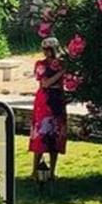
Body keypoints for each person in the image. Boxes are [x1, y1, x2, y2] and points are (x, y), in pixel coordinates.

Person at [30, 36, 68, 180]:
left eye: (49, 50)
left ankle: (52, 172)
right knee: (42, 134)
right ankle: (34, 171)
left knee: (56, 135)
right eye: (45, 49)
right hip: (45, 100)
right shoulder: (41, 64)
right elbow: (45, 84)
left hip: (58, 98)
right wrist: (61, 73)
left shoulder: (61, 63)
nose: (47, 53)